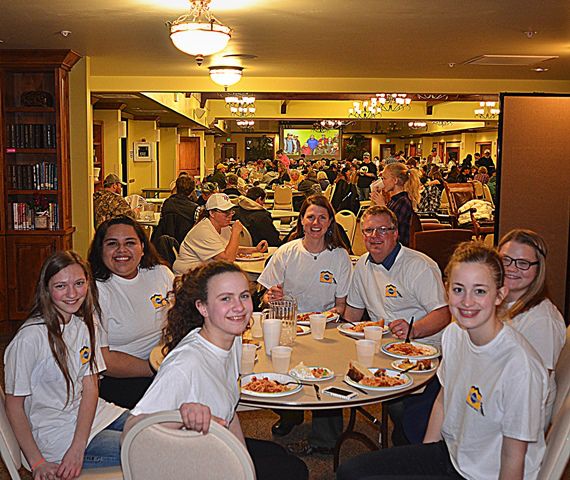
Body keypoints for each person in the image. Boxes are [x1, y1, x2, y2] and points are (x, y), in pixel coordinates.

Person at [337, 242, 548, 480]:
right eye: (458, 290)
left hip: (484, 474)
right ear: (446, 290)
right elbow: (443, 400)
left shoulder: (519, 366)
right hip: (449, 455)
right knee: (351, 472)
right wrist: (424, 453)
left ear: (499, 295)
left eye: (480, 291)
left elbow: (513, 458)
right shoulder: (455, 334)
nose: (467, 302)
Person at [125, 262, 309, 480]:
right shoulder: (187, 364)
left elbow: (229, 413)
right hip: (189, 461)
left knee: (281, 457)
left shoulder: (232, 340)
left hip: (213, 442)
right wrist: (181, 417)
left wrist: (245, 465)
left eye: (244, 296)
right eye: (225, 298)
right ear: (202, 307)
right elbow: (132, 432)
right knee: (293, 472)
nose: (239, 307)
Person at [4, 251, 126, 478]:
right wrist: (37, 461)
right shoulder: (30, 339)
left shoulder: (84, 324)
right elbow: (14, 405)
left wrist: (79, 445)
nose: (72, 294)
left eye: (79, 283)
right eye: (61, 286)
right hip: (58, 435)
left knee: (157, 428)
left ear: (88, 284)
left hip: (93, 417)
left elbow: (90, 388)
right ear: (46, 289)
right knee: (150, 446)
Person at [344, 206, 451, 444]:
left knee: (407, 413)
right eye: (369, 230)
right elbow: (353, 313)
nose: (375, 236)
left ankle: (411, 451)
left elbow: (443, 313)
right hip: (384, 351)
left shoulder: (418, 265)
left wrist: (414, 330)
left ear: (396, 233)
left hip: (425, 352)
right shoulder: (361, 266)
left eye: (383, 229)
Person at [258, 194, 352, 454]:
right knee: (274, 367)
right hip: (290, 325)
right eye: (310, 216)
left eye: (322, 217)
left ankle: (326, 438)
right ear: (301, 220)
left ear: (330, 222)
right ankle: (291, 414)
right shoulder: (287, 252)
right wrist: (271, 297)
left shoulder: (340, 257)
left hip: (326, 327)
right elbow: (266, 295)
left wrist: (324, 317)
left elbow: (341, 306)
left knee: (331, 375)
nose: (316, 222)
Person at [88, 216, 175, 409]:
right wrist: (155, 369)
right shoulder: (94, 291)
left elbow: (183, 317)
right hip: (125, 382)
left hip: (167, 365)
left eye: (130, 242)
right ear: (100, 250)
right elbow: (103, 360)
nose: (122, 250)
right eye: (112, 244)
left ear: (142, 248)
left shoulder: (160, 273)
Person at [498, 229, 566, 424]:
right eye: (506, 259)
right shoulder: (498, 304)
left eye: (523, 263)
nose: (512, 268)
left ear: (538, 269)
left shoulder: (541, 320)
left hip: (517, 421)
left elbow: (535, 390)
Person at [173, 193, 268, 274]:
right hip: (187, 277)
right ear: (212, 213)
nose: (230, 216)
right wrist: (235, 233)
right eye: (225, 212)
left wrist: (255, 250)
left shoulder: (223, 226)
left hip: (204, 273)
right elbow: (227, 260)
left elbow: (228, 249)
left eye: (231, 211)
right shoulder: (204, 231)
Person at [370, 162, 421, 247]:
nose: (382, 183)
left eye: (384, 179)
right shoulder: (394, 200)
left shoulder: (403, 202)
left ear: (395, 180)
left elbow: (393, 231)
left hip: (398, 248)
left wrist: (383, 207)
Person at [151, 175, 199, 245]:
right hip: (185, 245)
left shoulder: (166, 203)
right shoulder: (195, 209)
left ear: (176, 188)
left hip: (164, 245)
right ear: (192, 191)